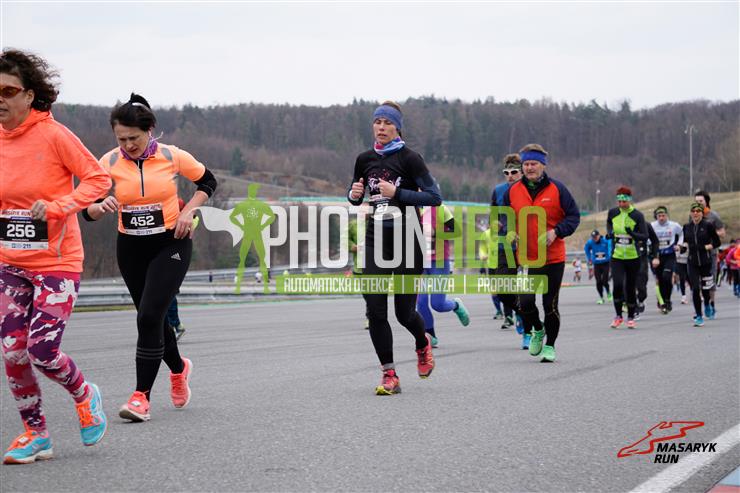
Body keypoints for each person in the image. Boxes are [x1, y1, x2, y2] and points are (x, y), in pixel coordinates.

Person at [0, 49, 110, 463]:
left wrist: (59, 206)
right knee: (13, 352)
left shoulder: (54, 135)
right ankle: (37, 434)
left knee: (42, 351)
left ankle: (84, 393)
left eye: (8, 91)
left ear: (29, 95)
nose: (0, 99)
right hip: (10, 261)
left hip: (56, 264)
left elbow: (98, 179)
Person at [84, 93, 217, 421]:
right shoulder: (107, 163)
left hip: (172, 243)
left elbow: (208, 181)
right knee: (152, 317)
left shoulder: (172, 156)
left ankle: (140, 397)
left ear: (150, 131)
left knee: (148, 317)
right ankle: (179, 368)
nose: (128, 145)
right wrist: (99, 207)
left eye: (134, 138)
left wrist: (189, 210)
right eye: (121, 139)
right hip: (131, 248)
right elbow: (87, 207)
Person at [348, 101, 441, 394]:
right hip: (376, 238)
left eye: (388, 123)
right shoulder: (364, 159)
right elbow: (357, 193)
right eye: (378, 122)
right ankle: (389, 374)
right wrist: (353, 194)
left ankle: (422, 343)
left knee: (404, 314)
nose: (381, 127)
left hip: (408, 239)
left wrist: (398, 192)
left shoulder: (411, 159)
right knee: (375, 310)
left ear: (397, 128)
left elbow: (434, 197)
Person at [503, 144, 580, 362]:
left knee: (550, 305)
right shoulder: (513, 191)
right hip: (527, 258)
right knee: (526, 303)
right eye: (526, 164)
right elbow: (505, 216)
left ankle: (550, 346)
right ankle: (537, 328)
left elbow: (573, 217)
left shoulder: (558, 189)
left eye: (534, 164)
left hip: (553, 258)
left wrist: (556, 232)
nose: (529, 168)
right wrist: (509, 231)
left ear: (543, 165)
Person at [416, 204, 469, 348]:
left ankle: (456, 305)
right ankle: (430, 335)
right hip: (418, 261)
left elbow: (456, 232)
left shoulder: (440, 209)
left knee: (438, 304)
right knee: (420, 302)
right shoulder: (409, 208)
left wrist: (435, 233)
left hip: (439, 261)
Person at [489, 153, 523, 335]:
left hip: (526, 245)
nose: (510, 176)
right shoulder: (498, 190)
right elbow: (493, 213)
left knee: (525, 288)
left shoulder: (529, 190)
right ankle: (519, 314)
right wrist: (494, 223)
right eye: (506, 173)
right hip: (505, 245)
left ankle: (526, 325)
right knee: (502, 288)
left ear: (522, 172)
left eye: (514, 172)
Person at [606, 186, 649, 329]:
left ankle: (630, 317)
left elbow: (645, 236)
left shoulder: (637, 215)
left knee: (630, 287)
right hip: (617, 256)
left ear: (629, 200)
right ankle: (618, 316)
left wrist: (633, 234)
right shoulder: (613, 212)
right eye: (619, 201)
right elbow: (609, 224)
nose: (621, 204)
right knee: (617, 285)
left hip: (633, 257)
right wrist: (610, 233)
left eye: (624, 201)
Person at [682, 202, 720, 326]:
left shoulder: (708, 225)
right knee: (695, 288)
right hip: (692, 261)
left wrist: (707, 247)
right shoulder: (686, 227)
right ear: (690, 213)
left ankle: (707, 304)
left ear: (702, 213)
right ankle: (699, 316)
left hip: (706, 261)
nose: (695, 213)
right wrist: (681, 248)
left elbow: (717, 242)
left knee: (705, 289)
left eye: (698, 211)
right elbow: (685, 242)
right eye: (693, 211)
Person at [693, 190, 725, 319]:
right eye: (696, 201)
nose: (699, 203)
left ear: (706, 202)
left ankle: (712, 304)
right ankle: (703, 306)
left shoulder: (713, 216)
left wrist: (710, 233)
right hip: (697, 253)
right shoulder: (693, 215)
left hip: (711, 253)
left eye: (701, 201)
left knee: (710, 280)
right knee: (698, 282)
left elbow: (722, 233)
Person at [650, 206, 683, 314]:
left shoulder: (674, 225)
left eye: (663, 215)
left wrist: (679, 244)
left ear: (667, 215)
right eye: (659, 216)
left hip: (669, 255)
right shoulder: (652, 226)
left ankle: (667, 299)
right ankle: (662, 301)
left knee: (667, 277)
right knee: (660, 279)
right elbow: (647, 238)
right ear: (656, 217)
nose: (661, 218)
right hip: (657, 256)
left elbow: (682, 233)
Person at [634, 221, 659, 319]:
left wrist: (655, 256)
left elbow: (655, 241)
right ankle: (633, 310)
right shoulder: (622, 224)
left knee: (642, 289)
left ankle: (640, 300)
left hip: (642, 258)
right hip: (626, 258)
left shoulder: (646, 225)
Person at [584, 229, 612, 304]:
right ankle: (601, 297)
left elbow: (611, 246)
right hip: (597, 264)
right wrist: (589, 258)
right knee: (598, 281)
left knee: (605, 280)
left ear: (599, 236)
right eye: (593, 237)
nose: (595, 238)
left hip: (605, 263)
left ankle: (609, 293)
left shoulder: (605, 241)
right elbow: (586, 249)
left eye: (596, 237)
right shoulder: (590, 242)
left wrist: (609, 255)